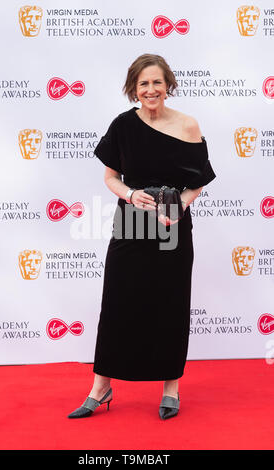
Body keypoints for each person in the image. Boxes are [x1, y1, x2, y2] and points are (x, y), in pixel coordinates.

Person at [68, 53, 216, 420]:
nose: (151, 89)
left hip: (172, 230)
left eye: (156, 82)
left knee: (171, 304)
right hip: (131, 225)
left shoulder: (187, 126)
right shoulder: (122, 126)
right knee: (118, 304)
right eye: (143, 83)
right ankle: (101, 387)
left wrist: (178, 206)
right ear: (134, 89)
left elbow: (198, 181)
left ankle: (171, 388)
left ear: (168, 85)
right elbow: (110, 179)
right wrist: (131, 195)